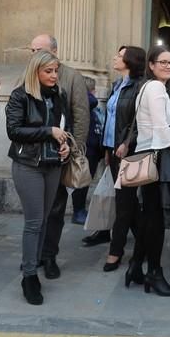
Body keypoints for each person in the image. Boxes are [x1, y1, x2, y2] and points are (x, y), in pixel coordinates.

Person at [6, 50, 71, 305]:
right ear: (36, 71)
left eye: (56, 71)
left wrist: (64, 144)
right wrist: (49, 131)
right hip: (28, 164)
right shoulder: (20, 95)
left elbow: (62, 128)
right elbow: (14, 131)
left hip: (53, 163)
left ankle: (33, 263)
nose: (54, 75)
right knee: (34, 222)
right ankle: (30, 276)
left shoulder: (58, 96)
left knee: (44, 219)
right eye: (49, 71)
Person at [126, 45, 170, 297]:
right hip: (158, 157)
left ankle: (135, 266)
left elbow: (160, 123)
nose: (168, 66)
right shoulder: (154, 87)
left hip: (156, 155)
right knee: (156, 221)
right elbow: (161, 129)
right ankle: (154, 272)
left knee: (150, 218)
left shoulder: (158, 89)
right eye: (162, 62)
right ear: (151, 65)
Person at [34, 34, 90, 280]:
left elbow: (80, 115)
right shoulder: (27, 75)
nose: (34, 54)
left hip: (59, 154)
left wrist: (74, 148)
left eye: (39, 49)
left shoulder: (71, 77)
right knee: (34, 210)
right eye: (32, 50)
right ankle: (32, 254)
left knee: (55, 209)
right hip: (32, 156)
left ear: (54, 51)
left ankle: (49, 255)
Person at [98, 46, 146, 269]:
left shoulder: (140, 86)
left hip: (129, 152)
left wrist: (127, 143)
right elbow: (111, 119)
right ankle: (145, 243)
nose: (115, 57)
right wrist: (108, 150)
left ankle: (115, 251)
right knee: (129, 203)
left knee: (124, 203)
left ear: (131, 60)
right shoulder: (117, 85)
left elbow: (138, 121)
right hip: (114, 150)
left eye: (120, 54)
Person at [70, 77, 102, 226]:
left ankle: (81, 209)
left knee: (86, 182)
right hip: (85, 149)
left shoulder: (91, 107)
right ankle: (78, 211)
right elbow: (92, 101)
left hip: (94, 149)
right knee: (81, 182)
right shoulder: (85, 102)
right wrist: (84, 92)